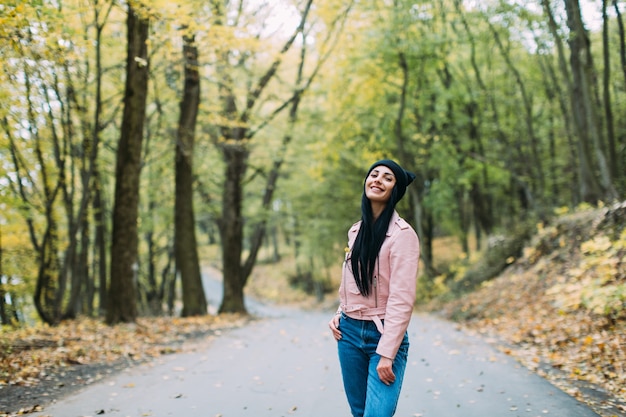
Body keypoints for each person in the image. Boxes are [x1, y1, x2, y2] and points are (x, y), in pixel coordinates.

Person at [328, 159, 420, 417]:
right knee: (359, 412)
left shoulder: (403, 236)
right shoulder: (356, 231)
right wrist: (340, 312)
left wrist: (387, 354)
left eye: (387, 178)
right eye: (374, 174)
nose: (378, 179)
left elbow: (402, 299)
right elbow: (353, 281)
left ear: (395, 191)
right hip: (348, 334)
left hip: (383, 334)